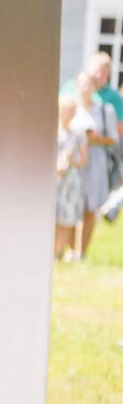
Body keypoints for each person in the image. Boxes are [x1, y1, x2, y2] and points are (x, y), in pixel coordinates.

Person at [72, 70, 118, 255]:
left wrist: (94, 138)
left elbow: (113, 139)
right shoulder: (72, 107)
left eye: (88, 84)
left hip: (95, 162)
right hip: (74, 162)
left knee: (89, 208)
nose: (84, 88)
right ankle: (68, 248)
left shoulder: (104, 110)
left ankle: (81, 251)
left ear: (94, 87)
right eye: (81, 84)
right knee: (73, 204)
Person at [56, 94, 87, 262]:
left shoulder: (78, 135)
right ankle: (52, 251)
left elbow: (84, 161)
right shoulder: (50, 130)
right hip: (53, 179)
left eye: (70, 111)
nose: (67, 113)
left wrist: (70, 160)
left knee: (66, 217)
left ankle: (60, 251)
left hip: (70, 180)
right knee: (52, 215)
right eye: (64, 110)